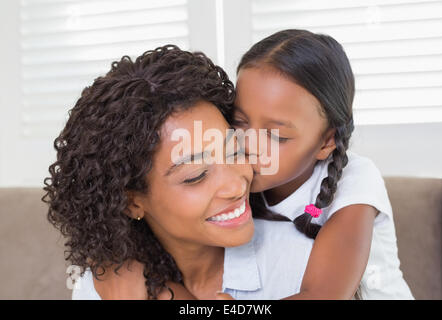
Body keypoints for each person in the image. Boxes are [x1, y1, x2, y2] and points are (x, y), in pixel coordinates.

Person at [43, 45, 314, 300]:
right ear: (132, 201)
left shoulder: (303, 265)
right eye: (196, 175)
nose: (235, 185)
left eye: (233, 151)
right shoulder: (105, 283)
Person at [232, 29, 413, 299]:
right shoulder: (230, 179)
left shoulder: (356, 177)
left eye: (276, 135)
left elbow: (324, 295)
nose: (249, 145)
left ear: (326, 142)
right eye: (239, 123)